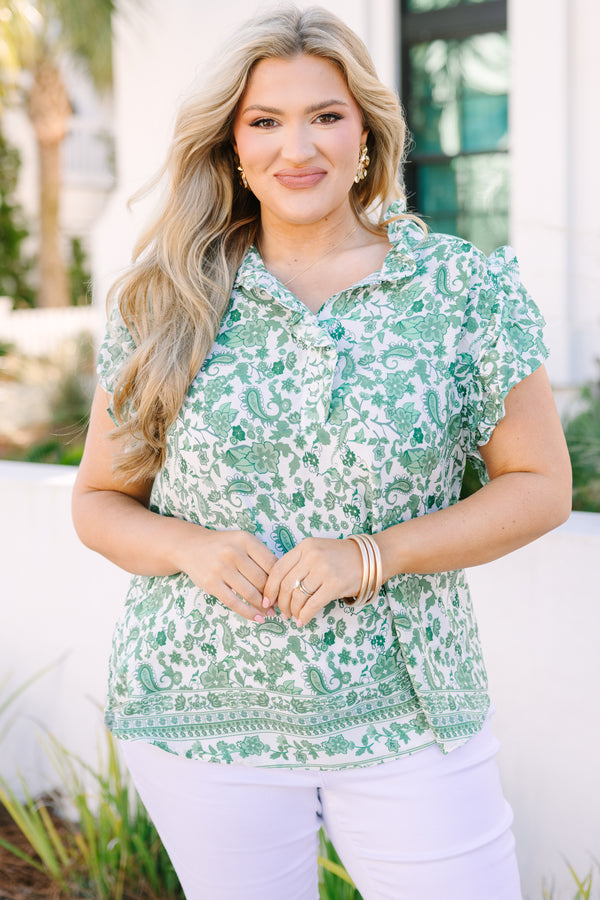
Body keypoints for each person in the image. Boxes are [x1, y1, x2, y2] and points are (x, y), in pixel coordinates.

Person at [72, 5, 572, 899]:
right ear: (231, 144)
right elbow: (100, 500)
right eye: (265, 121)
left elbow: (539, 486)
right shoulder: (164, 299)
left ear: (368, 135)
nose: (295, 148)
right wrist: (190, 546)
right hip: (204, 712)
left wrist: (370, 557)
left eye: (325, 116)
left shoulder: (461, 288)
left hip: (412, 713)